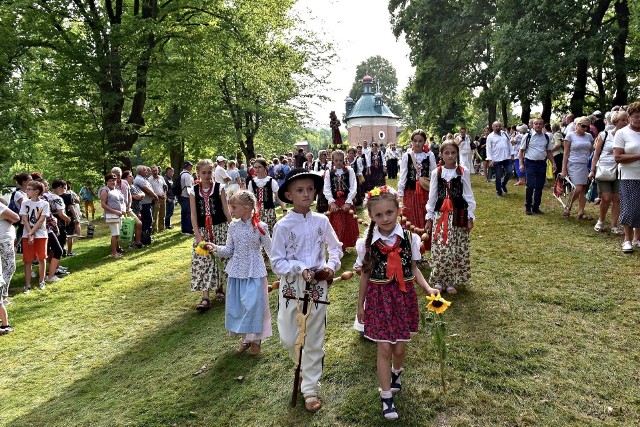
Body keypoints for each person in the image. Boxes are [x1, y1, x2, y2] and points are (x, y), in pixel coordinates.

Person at [356, 186, 437, 420]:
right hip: (379, 300)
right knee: (384, 348)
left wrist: (428, 288)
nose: (385, 219)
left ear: (398, 210)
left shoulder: (409, 239)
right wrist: (360, 305)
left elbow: (414, 270)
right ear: (371, 216)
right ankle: (386, 397)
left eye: (389, 212)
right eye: (379, 215)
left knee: (399, 348)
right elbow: (364, 276)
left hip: (402, 298)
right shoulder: (368, 243)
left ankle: (396, 372)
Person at [271, 168, 343, 413]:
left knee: (312, 338)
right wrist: (299, 268)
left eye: (310, 190)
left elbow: (336, 249)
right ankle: (301, 366)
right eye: (299, 190)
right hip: (292, 285)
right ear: (289, 195)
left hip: (317, 286)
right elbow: (277, 262)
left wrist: (331, 268)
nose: (306, 195)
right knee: (289, 337)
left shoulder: (322, 221)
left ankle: (310, 388)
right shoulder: (282, 226)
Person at [211, 191, 273, 355]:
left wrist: (282, 268)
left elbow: (271, 250)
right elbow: (229, 249)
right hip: (237, 271)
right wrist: (215, 248)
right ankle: (246, 338)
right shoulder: (233, 226)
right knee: (241, 307)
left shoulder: (260, 227)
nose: (231, 210)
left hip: (255, 271)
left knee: (254, 305)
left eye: (234, 207)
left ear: (246, 208)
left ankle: (256, 339)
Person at [426, 140, 476, 295]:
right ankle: (438, 280)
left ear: (457, 154)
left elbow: (468, 195)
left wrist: (470, 217)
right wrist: (429, 217)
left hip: (457, 216)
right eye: (446, 153)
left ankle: (450, 281)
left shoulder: (463, 171)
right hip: (441, 216)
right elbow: (432, 197)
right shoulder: (437, 173)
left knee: (454, 249)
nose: (450, 156)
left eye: (453, 153)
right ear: (441, 154)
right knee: (442, 249)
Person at [190, 159, 232, 311]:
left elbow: (226, 210)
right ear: (198, 173)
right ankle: (205, 296)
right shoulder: (193, 191)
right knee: (204, 261)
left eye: (209, 172)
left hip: (220, 228)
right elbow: (194, 215)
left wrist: (232, 227)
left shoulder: (219, 188)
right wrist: (197, 235)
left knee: (221, 258)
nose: (207, 175)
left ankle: (220, 288)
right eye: (204, 173)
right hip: (203, 231)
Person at [590, 110, 627, 234]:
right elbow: (596, 155)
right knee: (606, 198)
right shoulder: (605, 135)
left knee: (617, 198)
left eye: (626, 120)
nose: (625, 122)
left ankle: (614, 225)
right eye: (623, 120)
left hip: (620, 170)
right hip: (604, 169)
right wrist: (592, 170)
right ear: (616, 121)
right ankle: (600, 220)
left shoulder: (626, 136)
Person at [398, 129, 437, 234]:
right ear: (412, 141)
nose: (417, 143)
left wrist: (435, 189)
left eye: (420, 141)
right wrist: (400, 193)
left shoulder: (429, 155)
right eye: (415, 141)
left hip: (424, 190)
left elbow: (434, 173)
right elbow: (403, 174)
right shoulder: (407, 156)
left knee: (424, 212)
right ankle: (410, 239)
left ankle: (425, 239)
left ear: (424, 142)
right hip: (410, 190)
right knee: (410, 214)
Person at [613, 102, 640, 253]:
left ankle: (637, 238)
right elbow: (617, 157)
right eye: (636, 117)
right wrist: (638, 156)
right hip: (628, 175)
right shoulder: (622, 133)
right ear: (629, 117)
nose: (639, 119)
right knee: (629, 208)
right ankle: (627, 240)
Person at [518, 119, 555, 215]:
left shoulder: (546, 137)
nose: (538, 125)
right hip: (530, 163)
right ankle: (528, 207)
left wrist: (553, 163)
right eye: (536, 124)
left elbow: (549, 151)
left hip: (542, 164)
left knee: (539, 186)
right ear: (533, 125)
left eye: (540, 124)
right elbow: (521, 151)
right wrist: (521, 164)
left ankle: (536, 207)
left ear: (543, 125)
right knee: (530, 185)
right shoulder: (528, 136)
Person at [561, 116, 595, 219]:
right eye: (583, 126)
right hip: (574, 163)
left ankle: (581, 212)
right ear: (578, 125)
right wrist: (564, 169)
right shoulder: (570, 136)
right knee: (578, 187)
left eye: (587, 127)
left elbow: (592, 151)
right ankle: (568, 206)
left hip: (586, 164)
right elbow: (566, 153)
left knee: (584, 188)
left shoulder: (589, 136)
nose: (585, 129)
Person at [324, 150, 359, 249]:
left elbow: (353, 187)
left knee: (347, 224)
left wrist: (348, 202)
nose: (338, 162)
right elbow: (327, 188)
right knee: (337, 224)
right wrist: (331, 202)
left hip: (346, 201)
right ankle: (336, 246)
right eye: (336, 160)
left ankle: (345, 245)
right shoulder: (329, 173)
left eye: (340, 160)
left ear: (344, 160)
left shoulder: (349, 171)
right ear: (333, 161)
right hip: (335, 202)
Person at [19, 181, 50, 292]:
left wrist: (31, 233)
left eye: (29, 189)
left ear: (36, 191)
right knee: (28, 260)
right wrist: (30, 234)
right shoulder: (25, 203)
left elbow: (41, 220)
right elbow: (24, 219)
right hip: (27, 235)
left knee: (42, 258)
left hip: (41, 235)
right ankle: (27, 285)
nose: (26, 191)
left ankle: (41, 281)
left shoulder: (44, 204)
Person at [0, 201, 20, 333]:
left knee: (6, 269)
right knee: (9, 267)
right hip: (3, 239)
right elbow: (16, 217)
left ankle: (2, 297)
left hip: (4, 238)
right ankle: (2, 297)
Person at [100, 173, 126, 258]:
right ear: (107, 182)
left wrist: (123, 210)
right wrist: (114, 211)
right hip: (111, 215)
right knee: (115, 233)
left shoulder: (117, 190)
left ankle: (116, 250)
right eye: (110, 180)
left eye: (114, 180)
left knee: (118, 234)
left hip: (119, 215)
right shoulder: (105, 190)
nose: (112, 182)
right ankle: (114, 253)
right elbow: (103, 205)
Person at [486, 121, 512, 197]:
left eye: (499, 126)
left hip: (506, 157)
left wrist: (512, 154)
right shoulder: (490, 137)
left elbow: (509, 144)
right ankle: (499, 191)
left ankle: (503, 184)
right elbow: (488, 148)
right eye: (496, 126)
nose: (498, 127)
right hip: (496, 158)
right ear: (493, 127)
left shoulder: (505, 134)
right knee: (498, 176)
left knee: (510, 172)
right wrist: (490, 159)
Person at [134, 165, 158, 244]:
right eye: (145, 170)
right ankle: (145, 239)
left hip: (148, 203)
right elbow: (147, 191)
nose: (147, 171)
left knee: (148, 221)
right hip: (144, 204)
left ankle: (147, 237)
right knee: (147, 221)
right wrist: (155, 196)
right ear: (140, 171)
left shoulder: (143, 179)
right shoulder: (138, 179)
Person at [121, 170, 144, 248]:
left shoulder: (134, 186)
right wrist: (138, 196)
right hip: (130, 208)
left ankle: (136, 242)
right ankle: (133, 243)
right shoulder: (124, 186)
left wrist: (140, 195)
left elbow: (142, 193)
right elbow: (133, 197)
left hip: (137, 208)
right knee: (131, 225)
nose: (132, 177)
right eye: (130, 176)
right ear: (125, 178)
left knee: (136, 225)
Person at [177, 161, 195, 235]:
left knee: (184, 212)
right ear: (188, 166)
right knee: (188, 213)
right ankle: (188, 229)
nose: (191, 167)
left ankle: (184, 229)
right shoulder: (187, 175)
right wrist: (191, 196)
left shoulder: (181, 173)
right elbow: (188, 187)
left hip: (181, 196)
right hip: (185, 196)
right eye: (191, 166)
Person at [148, 166, 167, 234]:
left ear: (158, 171)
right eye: (153, 171)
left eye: (156, 170)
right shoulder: (149, 180)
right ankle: (154, 230)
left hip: (163, 198)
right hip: (155, 199)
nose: (155, 172)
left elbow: (165, 186)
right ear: (151, 172)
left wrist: (164, 194)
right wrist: (158, 196)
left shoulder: (161, 177)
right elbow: (150, 191)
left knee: (162, 214)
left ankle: (161, 228)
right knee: (155, 215)